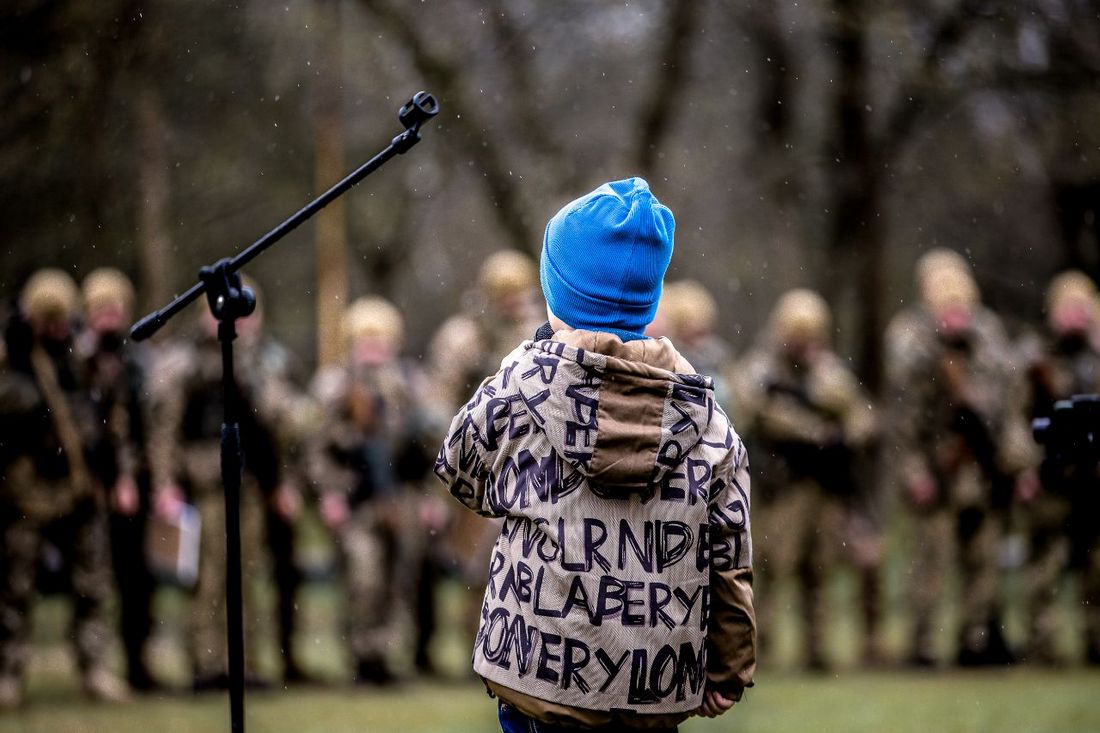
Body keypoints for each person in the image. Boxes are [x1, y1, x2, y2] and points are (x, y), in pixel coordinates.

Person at [435, 178, 755, 731]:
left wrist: (529, 356)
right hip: (653, 684)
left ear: (556, 293)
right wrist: (729, 665)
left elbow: (461, 473)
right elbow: (729, 557)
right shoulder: (708, 419)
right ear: (651, 298)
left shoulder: (521, 387)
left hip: (540, 673)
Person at [884, 249, 1029, 666]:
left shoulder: (988, 336)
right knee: (930, 559)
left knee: (984, 560)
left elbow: (1010, 408)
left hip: (983, 469)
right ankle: (923, 645)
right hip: (938, 466)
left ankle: (976, 639)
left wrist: (1017, 465)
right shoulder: (913, 339)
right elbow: (905, 421)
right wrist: (916, 475)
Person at [0, 269, 130, 708]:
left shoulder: (81, 358)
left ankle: (94, 667)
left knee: (92, 583)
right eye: (47, 322)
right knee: (14, 586)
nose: (56, 330)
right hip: (29, 491)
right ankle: (9, 671)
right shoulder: (13, 359)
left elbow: (108, 416)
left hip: (79, 487)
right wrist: (25, 375)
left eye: (62, 321)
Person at [734, 289, 878, 670]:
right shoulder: (762, 368)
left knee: (820, 567)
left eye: (811, 334)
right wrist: (814, 430)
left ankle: (817, 650)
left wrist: (839, 430)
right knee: (770, 566)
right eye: (797, 333)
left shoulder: (829, 373)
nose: (803, 343)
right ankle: (757, 650)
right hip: (781, 485)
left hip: (823, 486)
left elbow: (864, 418)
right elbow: (754, 409)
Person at [148, 289, 283, 691]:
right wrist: (165, 484)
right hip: (205, 485)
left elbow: (277, 425)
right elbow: (165, 430)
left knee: (247, 577)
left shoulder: (261, 362)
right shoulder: (185, 363)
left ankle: (245, 664)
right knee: (207, 578)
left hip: (250, 484)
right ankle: (206, 665)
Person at [310, 296, 440, 684]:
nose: (374, 347)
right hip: (356, 497)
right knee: (362, 579)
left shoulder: (410, 384)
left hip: (398, 497)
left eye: (381, 338)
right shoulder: (335, 385)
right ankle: (361, 656)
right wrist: (329, 494)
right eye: (366, 338)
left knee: (397, 579)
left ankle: (385, 654)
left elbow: (432, 446)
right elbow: (315, 449)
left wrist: (428, 497)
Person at [77, 268, 160, 691]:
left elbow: (138, 428)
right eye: (101, 311)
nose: (109, 319)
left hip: (132, 488)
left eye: (116, 311)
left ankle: (136, 660)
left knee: (137, 578)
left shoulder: (138, 363)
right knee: (94, 579)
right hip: (86, 486)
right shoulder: (76, 364)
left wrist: (136, 479)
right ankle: (94, 665)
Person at [1018, 270, 1100, 664]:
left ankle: (1094, 640)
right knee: (1045, 565)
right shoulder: (1036, 358)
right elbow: (1015, 418)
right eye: (1067, 309)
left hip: (1094, 476)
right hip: (1051, 472)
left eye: (1082, 309)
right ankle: (1042, 645)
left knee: (1096, 565)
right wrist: (1025, 468)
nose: (1074, 317)